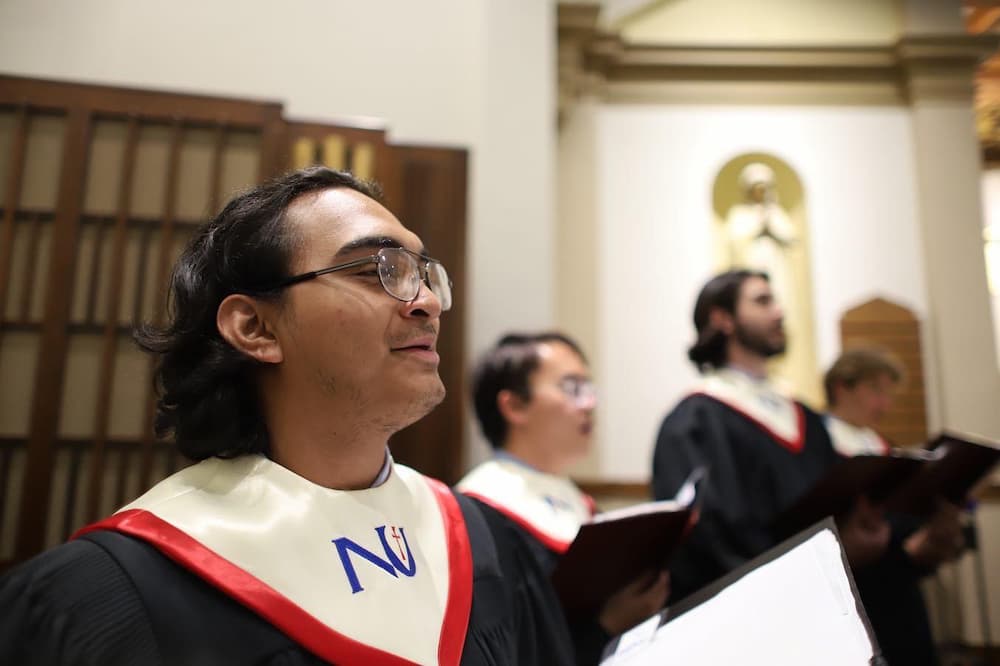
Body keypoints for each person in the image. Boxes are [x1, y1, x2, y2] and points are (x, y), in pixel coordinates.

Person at [0, 167, 515, 665]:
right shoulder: (106, 592)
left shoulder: (472, 535)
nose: (428, 302)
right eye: (373, 271)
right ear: (255, 328)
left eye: (423, 275)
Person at [651, 269, 890, 603]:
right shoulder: (697, 420)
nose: (779, 312)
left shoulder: (805, 418)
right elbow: (707, 538)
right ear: (722, 319)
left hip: (826, 598)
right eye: (762, 301)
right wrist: (794, 579)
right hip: (751, 605)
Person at [458, 333, 669, 666]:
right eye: (572, 388)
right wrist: (605, 628)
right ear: (514, 406)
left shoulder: (577, 501)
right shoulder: (479, 515)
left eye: (589, 388)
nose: (589, 403)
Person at [825, 348, 964, 666]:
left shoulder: (884, 447)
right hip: (857, 590)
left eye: (889, 395)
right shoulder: (818, 443)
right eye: (876, 391)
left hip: (900, 589)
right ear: (841, 387)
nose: (885, 405)